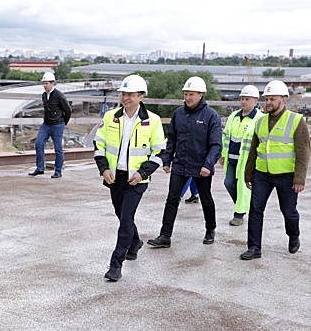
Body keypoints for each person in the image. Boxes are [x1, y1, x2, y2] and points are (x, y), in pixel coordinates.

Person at [94, 75, 165, 281]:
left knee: (125, 219)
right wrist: (103, 169)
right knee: (122, 215)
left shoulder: (153, 121)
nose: (125, 98)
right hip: (115, 178)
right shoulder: (110, 117)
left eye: (130, 95)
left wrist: (142, 173)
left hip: (137, 180)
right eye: (123, 94)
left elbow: (159, 152)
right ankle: (134, 243)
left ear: (141, 97)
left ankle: (116, 264)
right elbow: (99, 145)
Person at [147, 76, 222, 248]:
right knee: (172, 199)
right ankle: (165, 236)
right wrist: (167, 160)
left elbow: (216, 144)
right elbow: (171, 138)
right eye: (186, 94)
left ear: (200, 95)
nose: (187, 98)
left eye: (191, 94)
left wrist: (208, 164)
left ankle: (210, 229)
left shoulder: (211, 116)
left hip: (201, 166)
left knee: (206, 198)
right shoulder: (178, 114)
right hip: (180, 165)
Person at [240, 80, 310, 260]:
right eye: (266, 99)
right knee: (255, 209)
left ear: (284, 100)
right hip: (262, 174)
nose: (268, 102)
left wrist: (299, 179)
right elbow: (253, 150)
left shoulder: (296, 121)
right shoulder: (260, 122)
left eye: (272, 99)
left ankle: (293, 236)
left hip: (287, 176)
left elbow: (303, 152)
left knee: (288, 211)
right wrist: (248, 174)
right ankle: (254, 248)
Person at [219, 85, 264, 226]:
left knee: (243, 187)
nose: (243, 102)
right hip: (231, 159)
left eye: (247, 99)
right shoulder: (234, 116)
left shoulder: (260, 119)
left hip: (247, 162)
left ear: (255, 101)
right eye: (242, 99)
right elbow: (225, 136)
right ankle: (243, 207)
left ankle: (238, 215)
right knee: (229, 183)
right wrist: (222, 154)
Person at [28, 72, 72, 178]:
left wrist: (63, 122)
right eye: (43, 83)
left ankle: (58, 171)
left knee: (58, 148)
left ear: (53, 83)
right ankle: (40, 168)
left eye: (46, 83)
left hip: (57, 125)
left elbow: (68, 110)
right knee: (38, 144)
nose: (44, 85)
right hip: (46, 124)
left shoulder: (59, 96)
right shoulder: (44, 95)